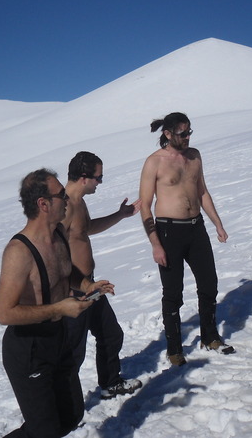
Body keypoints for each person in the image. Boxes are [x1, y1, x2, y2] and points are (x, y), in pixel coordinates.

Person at [0, 168, 114, 438]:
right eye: (62, 195)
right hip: (29, 348)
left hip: (58, 339)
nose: (68, 199)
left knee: (71, 415)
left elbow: (64, 270)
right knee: (45, 430)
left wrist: (86, 285)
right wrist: (59, 308)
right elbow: (4, 313)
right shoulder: (19, 252)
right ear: (43, 204)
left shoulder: (59, 233)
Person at [139, 112, 235, 366]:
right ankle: (174, 349)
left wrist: (217, 223)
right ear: (168, 134)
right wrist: (155, 243)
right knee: (173, 293)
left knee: (209, 284)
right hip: (168, 232)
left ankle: (210, 337)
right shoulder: (154, 162)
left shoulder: (194, 156)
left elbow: (202, 191)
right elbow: (146, 206)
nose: (188, 137)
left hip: (196, 228)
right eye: (183, 133)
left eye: (190, 131)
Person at [63, 151, 143, 399]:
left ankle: (110, 383)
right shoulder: (62, 207)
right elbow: (53, 254)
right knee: (72, 352)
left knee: (110, 334)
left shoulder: (79, 202)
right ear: (84, 177)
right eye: (98, 178)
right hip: (73, 291)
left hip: (90, 285)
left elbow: (85, 230)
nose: (100, 182)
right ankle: (64, 406)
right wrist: (72, 288)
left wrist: (120, 215)